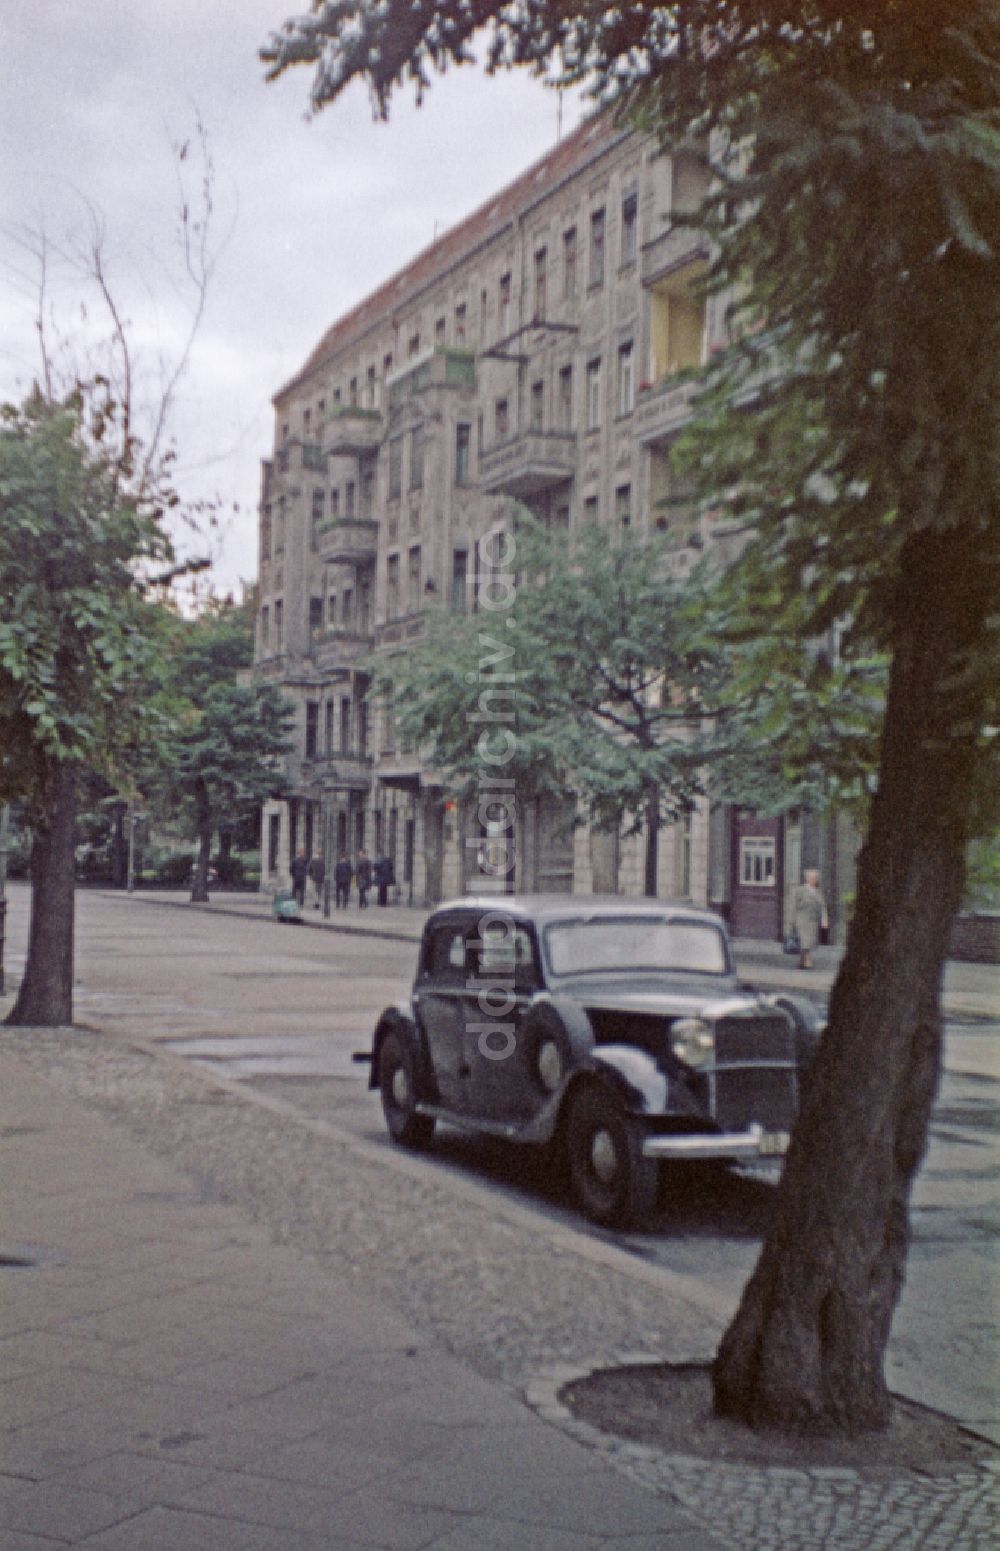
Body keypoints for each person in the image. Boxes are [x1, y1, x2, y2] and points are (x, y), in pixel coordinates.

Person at [792, 868, 828, 970]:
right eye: (812, 878)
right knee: (805, 941)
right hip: (802, 919)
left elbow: (822, 906)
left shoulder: (818, 892)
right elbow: (794, 905)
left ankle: (802, 961)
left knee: (809, 942)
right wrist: (792, 921)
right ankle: (808, 961)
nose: (814, 880)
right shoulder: (800, 890)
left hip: (814, 920)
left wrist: (824, 921)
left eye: (816, 878)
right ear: (807, 879)